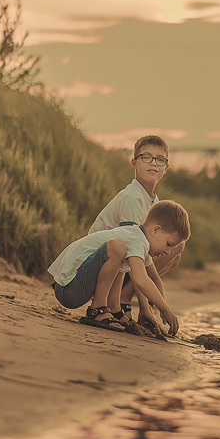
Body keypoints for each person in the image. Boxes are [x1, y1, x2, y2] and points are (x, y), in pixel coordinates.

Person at [48, 200, 190, 336]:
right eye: (169, 244)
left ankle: (114, 308)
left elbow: (155, 279)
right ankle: (97, 309)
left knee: (122, 256)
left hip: (73, 286)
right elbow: (141, 280)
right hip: (69, 288)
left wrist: (161, 310)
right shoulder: (136, 240)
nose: (168, 252)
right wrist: (165, 309)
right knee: (117, 247)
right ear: (155, 230)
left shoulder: (140, 240)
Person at [90, 135, 186, 331]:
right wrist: (144, 307)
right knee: (132, 249)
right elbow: (133, 253)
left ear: (166, 167)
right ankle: (118, 302)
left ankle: (122, 299)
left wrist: (156, 306)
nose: (153, 163)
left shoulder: (152, 200)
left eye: (160, 159)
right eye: (146, 157)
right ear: (134, 162)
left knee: (175, 247)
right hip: (99, 264)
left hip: (121, 262)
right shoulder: (133, 198)